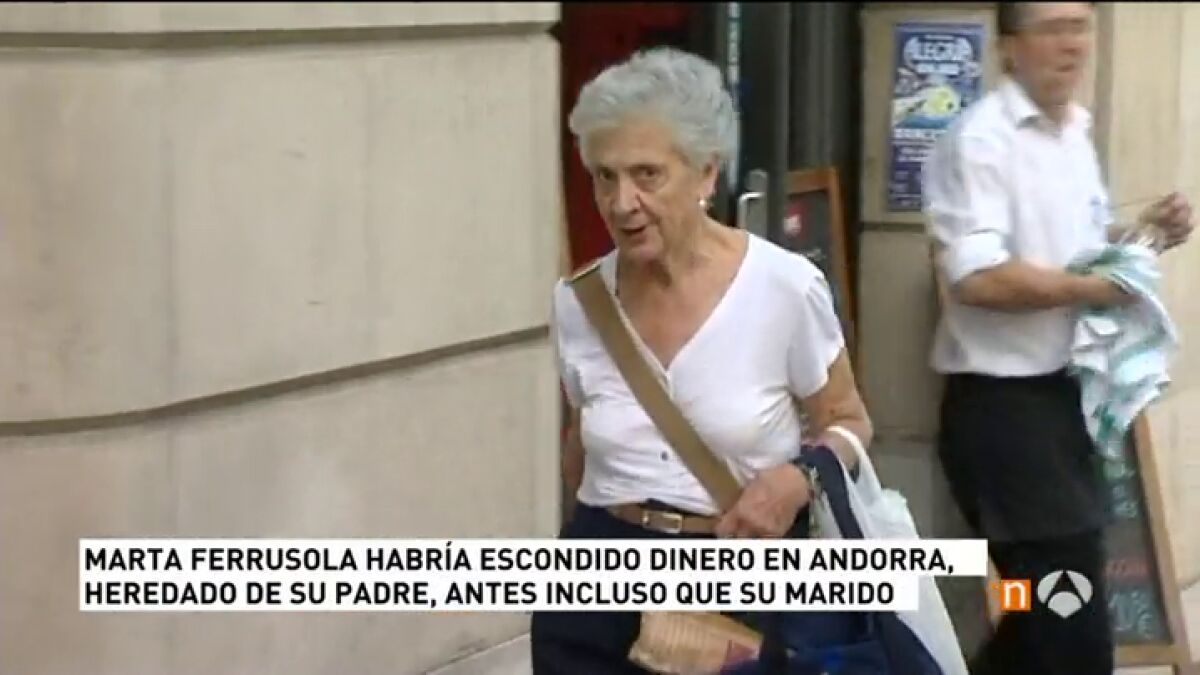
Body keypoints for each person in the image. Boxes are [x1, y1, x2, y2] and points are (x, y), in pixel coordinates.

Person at [531, 47, 875, 673]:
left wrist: (796, 480)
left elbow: (849, 421)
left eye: (647, 175)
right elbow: (579, 447)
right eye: (604, 177)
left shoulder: (784, 287)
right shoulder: (578, 302)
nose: (621, 202)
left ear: (707, 174)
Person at [923, 3, 1194, 674]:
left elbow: (1072, 254)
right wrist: (1097, 290)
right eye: (1051, 29)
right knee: (1067, 627)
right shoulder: (980, 141)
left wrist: (1142, 237)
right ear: (1009, 47)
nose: (1071, 44)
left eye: (1080, 25)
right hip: (1004, 413)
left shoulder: (1074, 131)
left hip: (1064, 404)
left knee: (1042, 619)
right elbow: (977, 277)